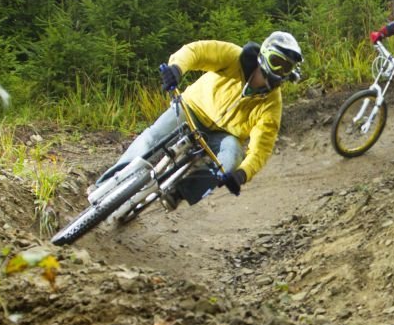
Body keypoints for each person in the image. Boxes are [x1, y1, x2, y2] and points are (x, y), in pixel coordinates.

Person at [94, 31, 303, 209]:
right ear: (264, 55)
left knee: (230, 159)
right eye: (277, 62)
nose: (280, 72)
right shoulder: (234, 57)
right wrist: (177, 68)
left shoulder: (272, 104)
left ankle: (177, 194)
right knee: (152, 139)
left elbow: (261, 149)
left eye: (286, 68)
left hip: (225, 136)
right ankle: (103, 186)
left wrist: (242, 173)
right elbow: (197, 51)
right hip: (193, 108)